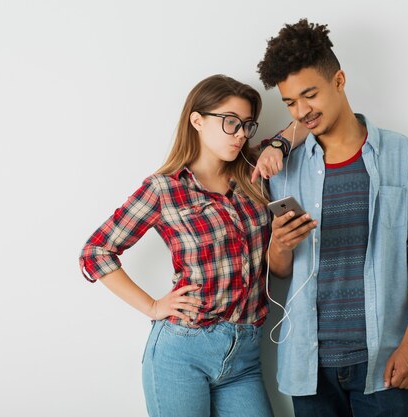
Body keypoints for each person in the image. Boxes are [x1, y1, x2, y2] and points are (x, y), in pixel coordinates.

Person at [253, 19, 408, 417]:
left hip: (384, 362)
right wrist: (280, 245)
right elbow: (281, 270)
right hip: (309, 366)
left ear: (339, 80)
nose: (302, 111)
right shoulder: (284, 168)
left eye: (310, 94)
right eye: (290, 102)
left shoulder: (398, 153)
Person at [79, 74, 275, 417]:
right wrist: (153, 306)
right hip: (183, 352)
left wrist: (277, 145)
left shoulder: (252, 175)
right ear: (197, 120)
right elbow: (96, 252)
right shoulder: (164, 189)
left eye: (247, 124)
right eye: (230, 122)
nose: (241, 133)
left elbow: (302, 128)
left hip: (245, 355)